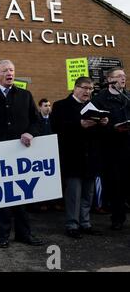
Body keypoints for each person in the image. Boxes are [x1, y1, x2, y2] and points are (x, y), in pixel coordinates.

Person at [0, 59, 43, 248]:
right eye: (4, 70)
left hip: (21, 155)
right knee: (4, 197)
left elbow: (36, 121)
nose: (9, 73)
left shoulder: (25, 95)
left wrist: (31, 132)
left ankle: (24, 234)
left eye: (11, 70)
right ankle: (3, 235)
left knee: (22, 194)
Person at [51, 77, 106, 239]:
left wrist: (104, 123)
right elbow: (57, 127)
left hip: (91, 157)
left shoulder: (94, 107)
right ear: (75, 88)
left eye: (91, 89)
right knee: (74, 193)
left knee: (88, 193)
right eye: (85, 88)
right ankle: (72, 224)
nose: (88, 92)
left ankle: (85, 222)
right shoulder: (61, 105)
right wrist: (79, 124)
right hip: (72, 156)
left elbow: (99, 135)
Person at [92, 67, 129, 231]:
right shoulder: (100, 98)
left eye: (125, 76)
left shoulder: (128, 96)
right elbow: (93, 122)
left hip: (128, 144)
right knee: (116, 184)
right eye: (119, 76)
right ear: (110, 80)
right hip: (111, 147)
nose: (123, 78)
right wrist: (111, 128)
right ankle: (117, 218)